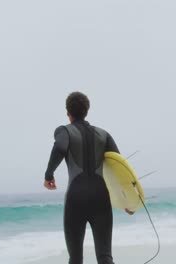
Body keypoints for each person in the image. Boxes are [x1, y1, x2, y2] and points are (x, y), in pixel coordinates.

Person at [43, 91, 132, 264]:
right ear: (87, 111)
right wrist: (127, 199)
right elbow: (119, 168)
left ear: (68, 113)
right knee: (105, 257)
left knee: (75, 258)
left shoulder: (64, 131)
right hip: (100, 198)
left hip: (76, 198)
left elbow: (60, 147)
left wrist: (49, 175)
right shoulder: (104, 134)